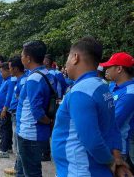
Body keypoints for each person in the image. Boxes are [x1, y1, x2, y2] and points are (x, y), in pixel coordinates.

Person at [52, 37, 132, 177]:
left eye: (68, 58)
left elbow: (91, 138)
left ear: (75, 58)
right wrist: (116, 158)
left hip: (79, 169)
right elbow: (112, 127)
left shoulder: (81, 91)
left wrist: (110, 161)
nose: (66, 63)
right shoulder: (102, 86)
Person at [15, 40, 55, 176]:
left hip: (30, 133)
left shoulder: (34, 79)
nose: (21, 58)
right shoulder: (47, 74)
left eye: (22, 55)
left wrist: (48, 121)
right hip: (32, 132)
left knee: (31, 172)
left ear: (28, 58)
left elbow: (37, 111)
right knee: (23, 169)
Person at [101, 52, 134, 165]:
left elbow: (114, 121)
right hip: (108, 145)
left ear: (119, 69)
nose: (106, 70)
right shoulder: (112, 86)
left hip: (119, 150)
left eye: (109, 67)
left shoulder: (131, 93)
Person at [4, 56, 27, 175]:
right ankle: (18, 168)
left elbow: (21, 102)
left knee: (19, 147)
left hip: (18, 116)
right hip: (15, 114)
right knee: (18, 145)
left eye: (10, 68)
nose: (9, 70)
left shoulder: (23, 81)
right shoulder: (19, 80)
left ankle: (19, 171)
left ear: (16, 69)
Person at [0, 62, 13, 158]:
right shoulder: (6, 80)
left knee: (5, 129)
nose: (1, 74)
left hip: (4, 109)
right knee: (6, 128)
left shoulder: (10, 81)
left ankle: (3, 150)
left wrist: (5, 109)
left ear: (8, 71)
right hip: (1, 108)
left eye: (2, 72)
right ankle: (7, 146)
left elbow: (9, 97)